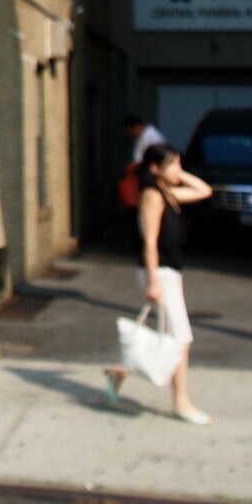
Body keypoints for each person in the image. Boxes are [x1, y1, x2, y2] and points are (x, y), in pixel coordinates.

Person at [105, 143, 214, 423]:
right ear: (155, 169)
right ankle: (181, 403)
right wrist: (153, 281)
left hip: (169, 273)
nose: (178, 170)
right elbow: (150, 242)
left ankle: (119, 374)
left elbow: (205, 191)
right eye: (172, 165)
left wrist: (178, 172)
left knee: (170, 337)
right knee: (181, 338)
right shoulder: (152, 195)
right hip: (160, 272)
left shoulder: (167, 192)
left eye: (179, 163)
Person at [116, 115, 167, 211]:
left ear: (135, 127)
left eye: (130, 131)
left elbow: (150, 159)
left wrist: (132, 167)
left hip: (152, 178)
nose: (131, 134)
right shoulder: (145, 136)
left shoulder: (151, 138)